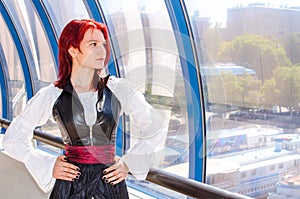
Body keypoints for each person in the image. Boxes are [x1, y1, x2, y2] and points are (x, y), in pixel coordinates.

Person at [2, 19, 167, 198]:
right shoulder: (52, 94)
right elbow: (13, 139)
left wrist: (129, 163)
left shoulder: (119, 89)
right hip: (69, 185)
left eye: (103, 44)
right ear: (73, 50)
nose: (101, 51)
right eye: (93, 44)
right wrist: (49, 165)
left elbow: (156, 126)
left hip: (110, 184)